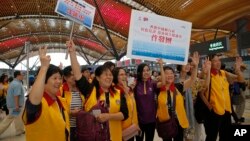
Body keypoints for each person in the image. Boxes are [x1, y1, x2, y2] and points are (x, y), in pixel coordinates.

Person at [67, 40, 128, 141]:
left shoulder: (118, 92)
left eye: (110, 75)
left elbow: (124, 114)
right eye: (105, 75)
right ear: (98, 78)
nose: (109, 77)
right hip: (93, 136)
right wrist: (73, 53)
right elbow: (78, 75)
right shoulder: (90, 90)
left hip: (115, 137)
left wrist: (108, 116)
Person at [22, 46, 70, 141]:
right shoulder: (39, 102)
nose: (59, 81)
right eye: (54, 78)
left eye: (60, 78)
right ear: (44, 80)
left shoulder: (60, 101)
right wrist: (44, 67)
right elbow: (34, 101)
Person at [156, 52, 199, 141]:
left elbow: (192, 79)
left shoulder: (178, 86)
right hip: (165, 123)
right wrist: (161, 65)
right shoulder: (158, 88)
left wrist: (195, 67)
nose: (170, 75)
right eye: (166, 73)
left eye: (171, 73)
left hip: (179, 121)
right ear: (162, 75)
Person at [203, 54, 245, 141]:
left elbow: (241, 80)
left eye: (219, 60)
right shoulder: (206, 74)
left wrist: (237, 69)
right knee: (211, 136)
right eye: (215, 61)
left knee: (225, 135)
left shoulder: (223, 73)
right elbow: (201, 92)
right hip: (214, 111)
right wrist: (209, 106)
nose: (218, 63)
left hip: (226, 110)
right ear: (210, 63)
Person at [134, 59, 165, 141]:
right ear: (140, 72)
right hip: (138, 120)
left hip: (151, 119)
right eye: (144, 70)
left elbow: (163, 83)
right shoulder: (135, 85)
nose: (146, 72)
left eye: (148, 70)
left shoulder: (152, 83)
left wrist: (161, 66)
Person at [113, 67, 139, 141]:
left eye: (125, 74)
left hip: (131, 128)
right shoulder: (114, 91)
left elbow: (133, 108)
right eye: (121, 75)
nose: (124, 76)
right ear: (115, 77)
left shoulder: (129, 90)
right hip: (120, 129)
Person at [61, 66, 85, 141]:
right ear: (65, 77)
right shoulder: (61, 90)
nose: (74, 77)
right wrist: (70, 112)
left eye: (75, 74)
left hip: (82, 125)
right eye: (71, 75)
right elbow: (58, 110)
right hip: (67, 127)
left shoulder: (82, 89)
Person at [0, 71, 25, 135]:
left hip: (14, 105)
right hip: (15, 106)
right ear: (18, 75)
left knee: (18, 118)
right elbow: (16, 95)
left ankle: (20, 130)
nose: (23, 76)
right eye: (22, 74)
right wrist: (17, 106)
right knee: (9, 119)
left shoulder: (14, 83)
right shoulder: (16, 84)